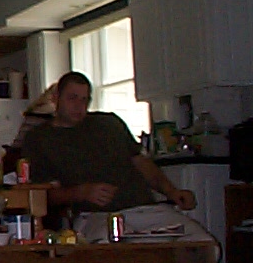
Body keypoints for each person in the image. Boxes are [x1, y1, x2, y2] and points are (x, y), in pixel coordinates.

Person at [23, 71, 211, 244]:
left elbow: (140, 162)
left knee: (202, 243)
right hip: (96, 216)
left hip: (146, 209)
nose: (79, 106)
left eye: (85, 100)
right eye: (72, 98)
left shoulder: (109, 123)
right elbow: (40, 194)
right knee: (117, 249)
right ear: (55, 98)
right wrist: (81, 192)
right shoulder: (40, 138)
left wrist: (171, 191)